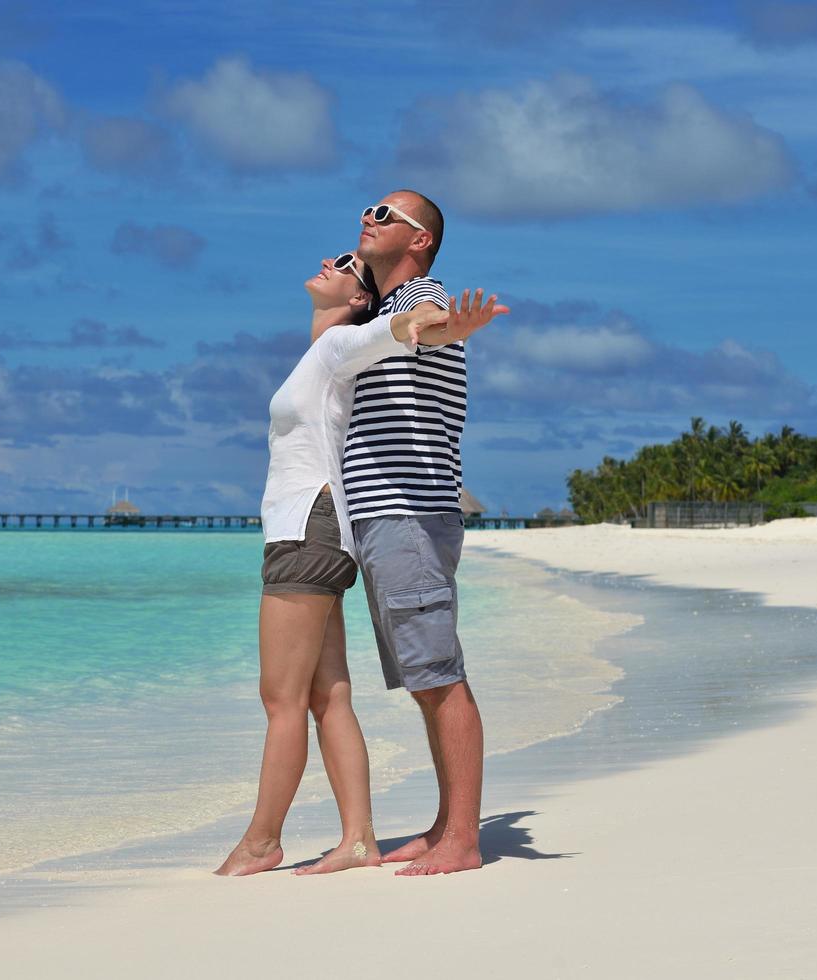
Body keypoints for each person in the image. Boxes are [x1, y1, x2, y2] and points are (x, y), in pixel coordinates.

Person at [215, 250, 505, 877]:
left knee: (280, 698)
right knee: (326, 694)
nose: (330, 258)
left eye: (347, 263)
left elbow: (403, 324)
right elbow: (394, 332)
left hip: (307, 525)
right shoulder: (331, 352)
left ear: (356, 296)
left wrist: (447, 327)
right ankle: (356, 839)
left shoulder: (341, 343)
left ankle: (262, 842)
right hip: (322, 523)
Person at [346, 190, 489, 875]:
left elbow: (430, 323)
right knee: (422, 677)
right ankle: (444, 824)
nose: (366, 219)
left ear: (418, 240)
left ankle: (461, 836)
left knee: (437, 676)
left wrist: (447, 325)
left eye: (382, 215)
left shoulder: (417, 297)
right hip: (386, 515)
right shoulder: (377, 310)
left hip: (407, 511)